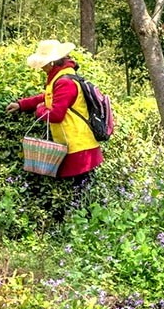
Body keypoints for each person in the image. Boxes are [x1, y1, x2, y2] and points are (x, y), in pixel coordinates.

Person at [6, 39, 103, 212]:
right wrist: (22, 105)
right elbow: (47, 96)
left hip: (79, 148)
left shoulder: (65, 82)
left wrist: (39, 111)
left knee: (80, 196)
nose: (41, 67)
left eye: (43, 63)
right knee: (80, 193)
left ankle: (79, 228)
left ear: (52, 62)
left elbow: (56, 115)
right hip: (74, 145)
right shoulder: (59, 78)